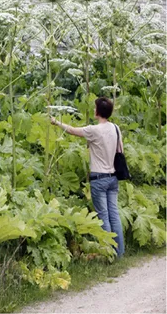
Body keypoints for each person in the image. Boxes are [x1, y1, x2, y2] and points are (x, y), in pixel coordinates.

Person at [50, 97, 124, 257]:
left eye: (94, 107)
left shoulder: (94, 130)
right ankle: (120, 253)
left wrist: (56, 121)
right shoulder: (116, 128)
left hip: (99, 178)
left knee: (103, 216)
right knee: (114, 214)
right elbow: (120, 151)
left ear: (98, 111)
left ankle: (108, 253)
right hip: (113, 178)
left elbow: (71, 130)